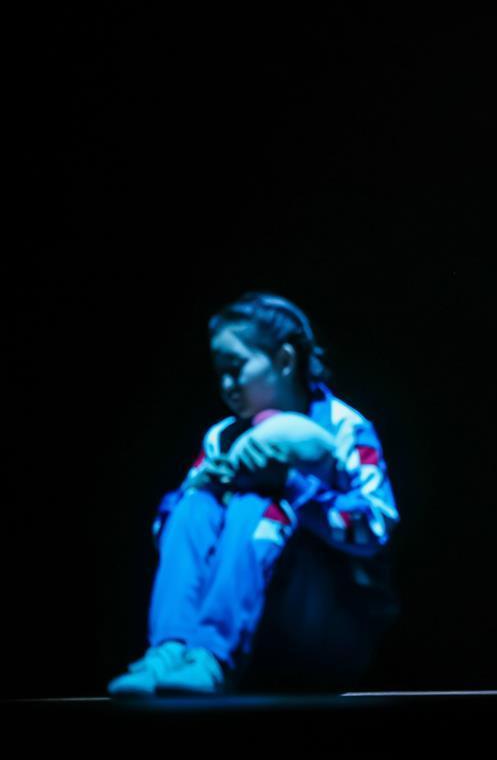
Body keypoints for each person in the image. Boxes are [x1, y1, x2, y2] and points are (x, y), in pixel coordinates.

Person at [107, 292, 400, 695]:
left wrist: (293, 486)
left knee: (257, 504)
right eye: (219, 372)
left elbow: (376, 527)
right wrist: (203, 488)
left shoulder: (345, 427)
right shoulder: (222, 437)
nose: (227, 385)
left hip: (326, 623)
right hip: (257, 640)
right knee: (194, 508)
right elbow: (168, 533)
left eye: (237, 367)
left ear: (284, 360)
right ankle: (170, 651)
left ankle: (214, 657)